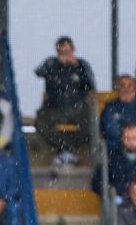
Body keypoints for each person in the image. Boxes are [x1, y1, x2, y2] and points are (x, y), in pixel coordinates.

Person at [33, 37, 96, 166]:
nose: (65, 52)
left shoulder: (82, 64)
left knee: (91, 125)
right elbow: (38, 72)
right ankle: (66, 150)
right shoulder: (51, 63)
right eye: (62, 49)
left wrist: (77, 67)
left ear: (72, 49)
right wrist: (56, 65)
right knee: (41, 124)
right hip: (54, 108)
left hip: (77, 108)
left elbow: (91, 84)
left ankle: (66, 150)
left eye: (67, 49)